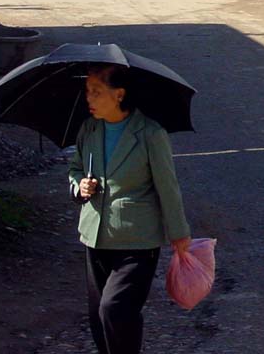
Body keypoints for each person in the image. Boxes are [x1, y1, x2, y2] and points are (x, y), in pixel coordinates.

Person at [68, 64, 191, 354]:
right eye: (88, 92)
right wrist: (79, 186)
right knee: (99, 315)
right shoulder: (89, 128)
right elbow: (75, 169)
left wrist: (179, 234)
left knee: (116, 308)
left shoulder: (150, 134)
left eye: (97, 93)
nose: (90, 99)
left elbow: (168, 187)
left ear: (119, 94)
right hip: (95, 234)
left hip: (138, 240)